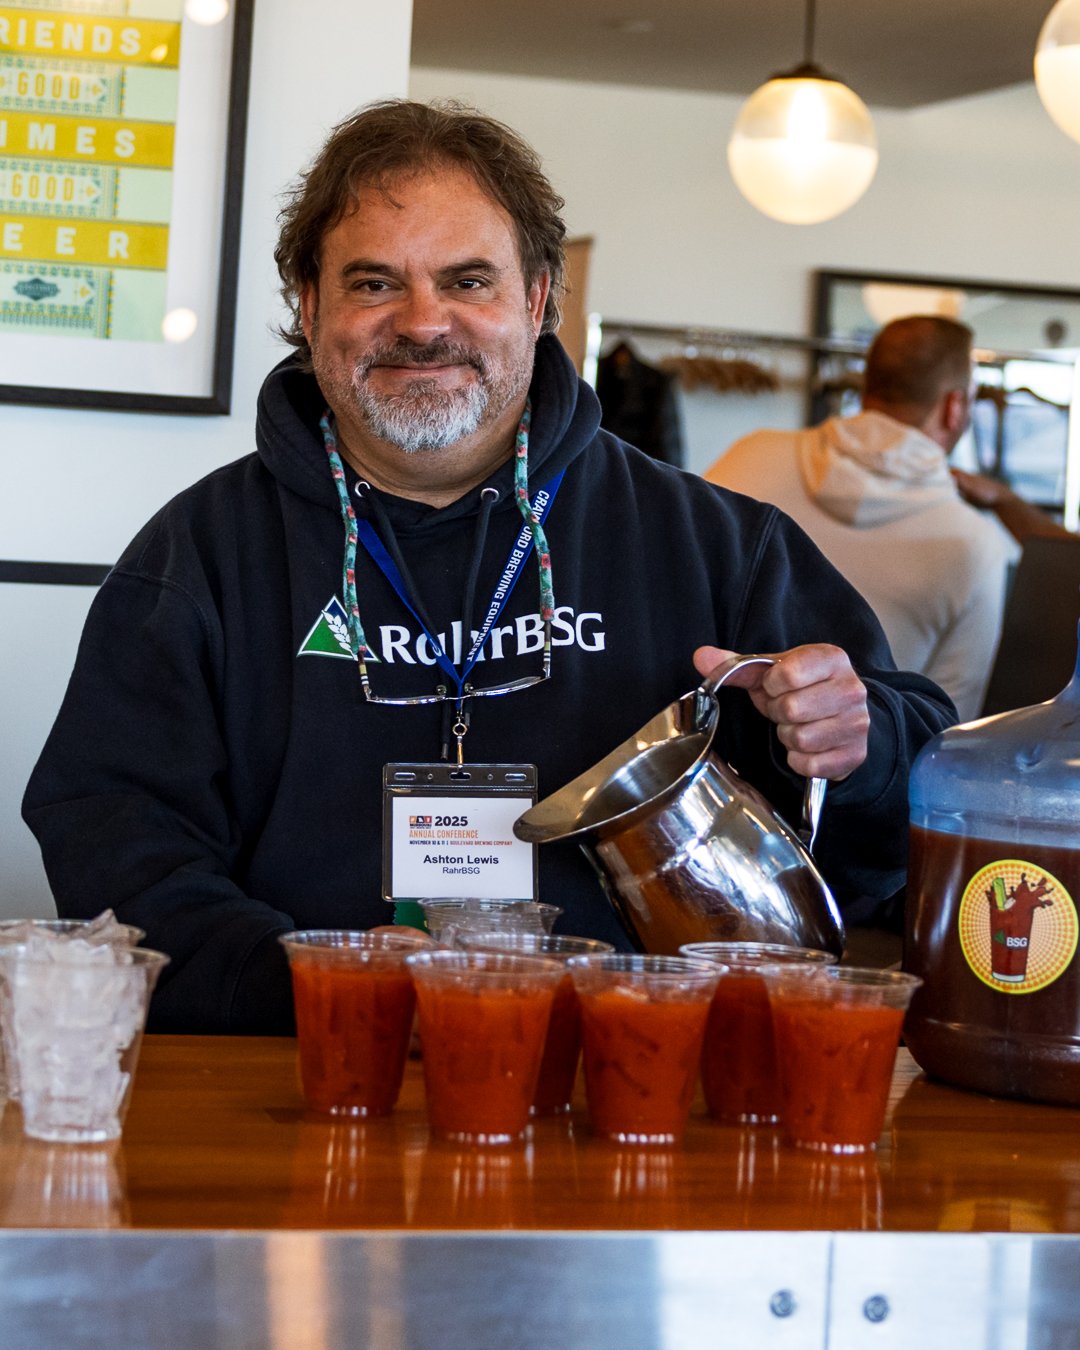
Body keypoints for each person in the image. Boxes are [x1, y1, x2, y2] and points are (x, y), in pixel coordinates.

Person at [22, 100, 955, 1035]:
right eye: (374, 283)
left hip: (629, 1090)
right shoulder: (198, 557)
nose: (425, 324)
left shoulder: (716, 542)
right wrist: (333, 999)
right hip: (302, 1078)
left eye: (469, 281)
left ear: (540, 300)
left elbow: (908, 828)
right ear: (309, 309)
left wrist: (855, 747)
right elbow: (116, 843)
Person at [705, 316, 1020, 721]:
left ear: (867, 384)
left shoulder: (750, 455)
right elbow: (947, 725)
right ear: (955, 406)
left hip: (702, 755)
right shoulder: (976, 544)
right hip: (851, 776)